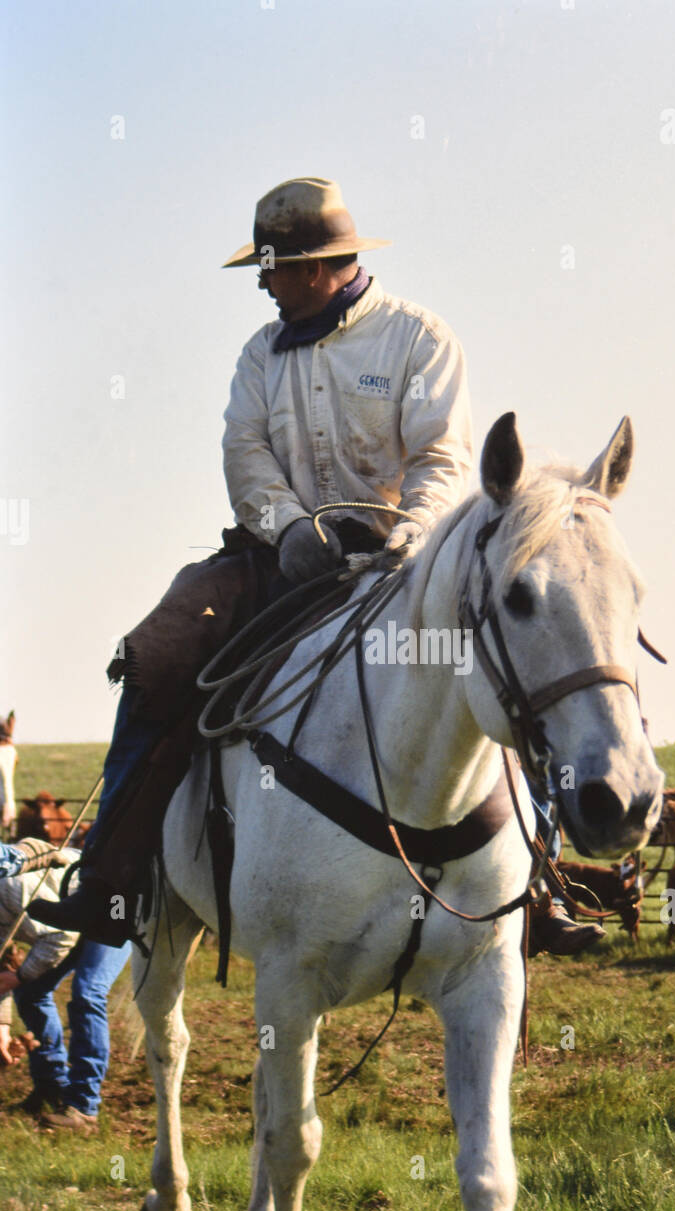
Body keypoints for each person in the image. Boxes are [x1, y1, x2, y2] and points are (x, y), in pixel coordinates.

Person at [29, 175, 598, 956]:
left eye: (269, 268)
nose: (263, 283)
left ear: (311, 265)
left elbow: (440, 454)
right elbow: (245, 449)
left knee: (498, 645)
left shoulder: (419, 338)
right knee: (157, 653)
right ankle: (112, 879)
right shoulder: (260, 355)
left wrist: (415, 534)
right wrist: (289, 530)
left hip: (402, 557)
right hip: (276, 561)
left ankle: (534, 882)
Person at [0, 842, 130, 1130]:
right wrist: (2, 1025)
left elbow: (61, 936)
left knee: (87, 992)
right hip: (69, 919)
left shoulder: (11, 887)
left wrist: (21, 976)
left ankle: (83, 1107)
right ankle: (51, 1087)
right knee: (31, 993)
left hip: (114, 904)